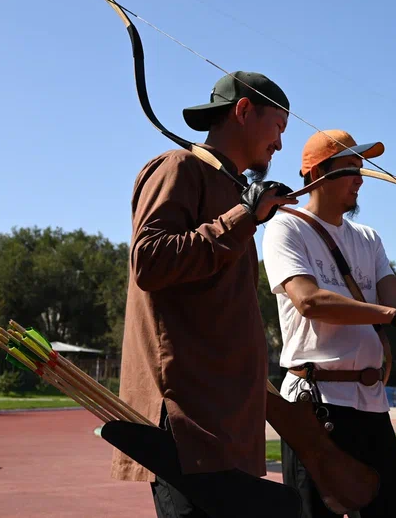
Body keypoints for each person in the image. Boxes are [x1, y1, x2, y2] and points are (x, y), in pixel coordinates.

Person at [261, 129, 396, 518]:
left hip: (371, 406)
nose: (360, 181)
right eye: (349, 170)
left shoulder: (368, 238)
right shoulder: (285, 227)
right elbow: (309, 301)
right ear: (317, 174)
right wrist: (390, 316)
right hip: (316, 405)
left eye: (360, 170)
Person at [111, 71, 300, 517]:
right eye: (278, 127)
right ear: (243, 111)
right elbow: (150, 261)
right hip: (186, 424)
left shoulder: (234, 191)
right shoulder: (178, 167)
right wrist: (242, 217)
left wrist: (246, 213)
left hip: (225, 426)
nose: (279, 144)